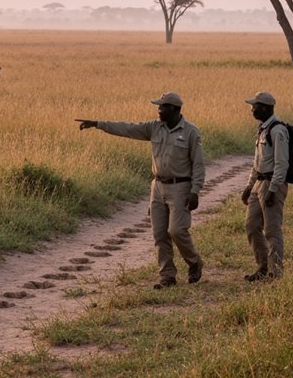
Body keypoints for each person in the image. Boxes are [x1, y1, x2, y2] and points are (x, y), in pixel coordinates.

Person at [76, 92, 205, 289]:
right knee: (160, 234)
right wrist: (98, 123)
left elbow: (198, 165)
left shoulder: (191, 132)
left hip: (181, 187)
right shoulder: (154, 127)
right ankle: (167, 276)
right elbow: (127, 128)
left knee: (177, 230)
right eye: (158, 107)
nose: (159, 110)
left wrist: (195, 190)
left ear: (176, 110)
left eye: (163, 107)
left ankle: (194, 262)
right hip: (158, 186)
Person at [241, 91, 288, 281]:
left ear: (266, 108)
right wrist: (249, 185)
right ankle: (262, 266)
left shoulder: (278, 130)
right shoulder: (262, 129)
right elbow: (257, 162)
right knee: (251, 226)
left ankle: (275, 272)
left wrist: (274, 189)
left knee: (272, 230)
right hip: (259, 182)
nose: (252, 109)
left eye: (256, 106)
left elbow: (281, 163)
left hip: (271, 183)